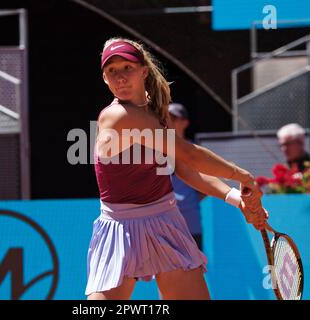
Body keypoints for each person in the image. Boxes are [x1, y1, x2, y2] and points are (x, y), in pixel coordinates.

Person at [86, 38, 268, 300]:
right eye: (112, 71)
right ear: (104, 78)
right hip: (120, 227)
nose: (120, 77)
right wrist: (243, 176)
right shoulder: (117, 116)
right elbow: (189, 154)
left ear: (143, 71)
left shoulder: (155, 110)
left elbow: (182, 168)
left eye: (127, 68)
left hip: (164, 220)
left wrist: (235, 198)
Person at [167, 103, 205, 249]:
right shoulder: (156, 150)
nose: (169, 121)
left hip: (191, 224)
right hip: (164, 224)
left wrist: (189, 200)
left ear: (185, 123)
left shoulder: (195, 151)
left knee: (195, 270)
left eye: (174, 118)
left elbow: (206, 185)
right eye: (167, 118)